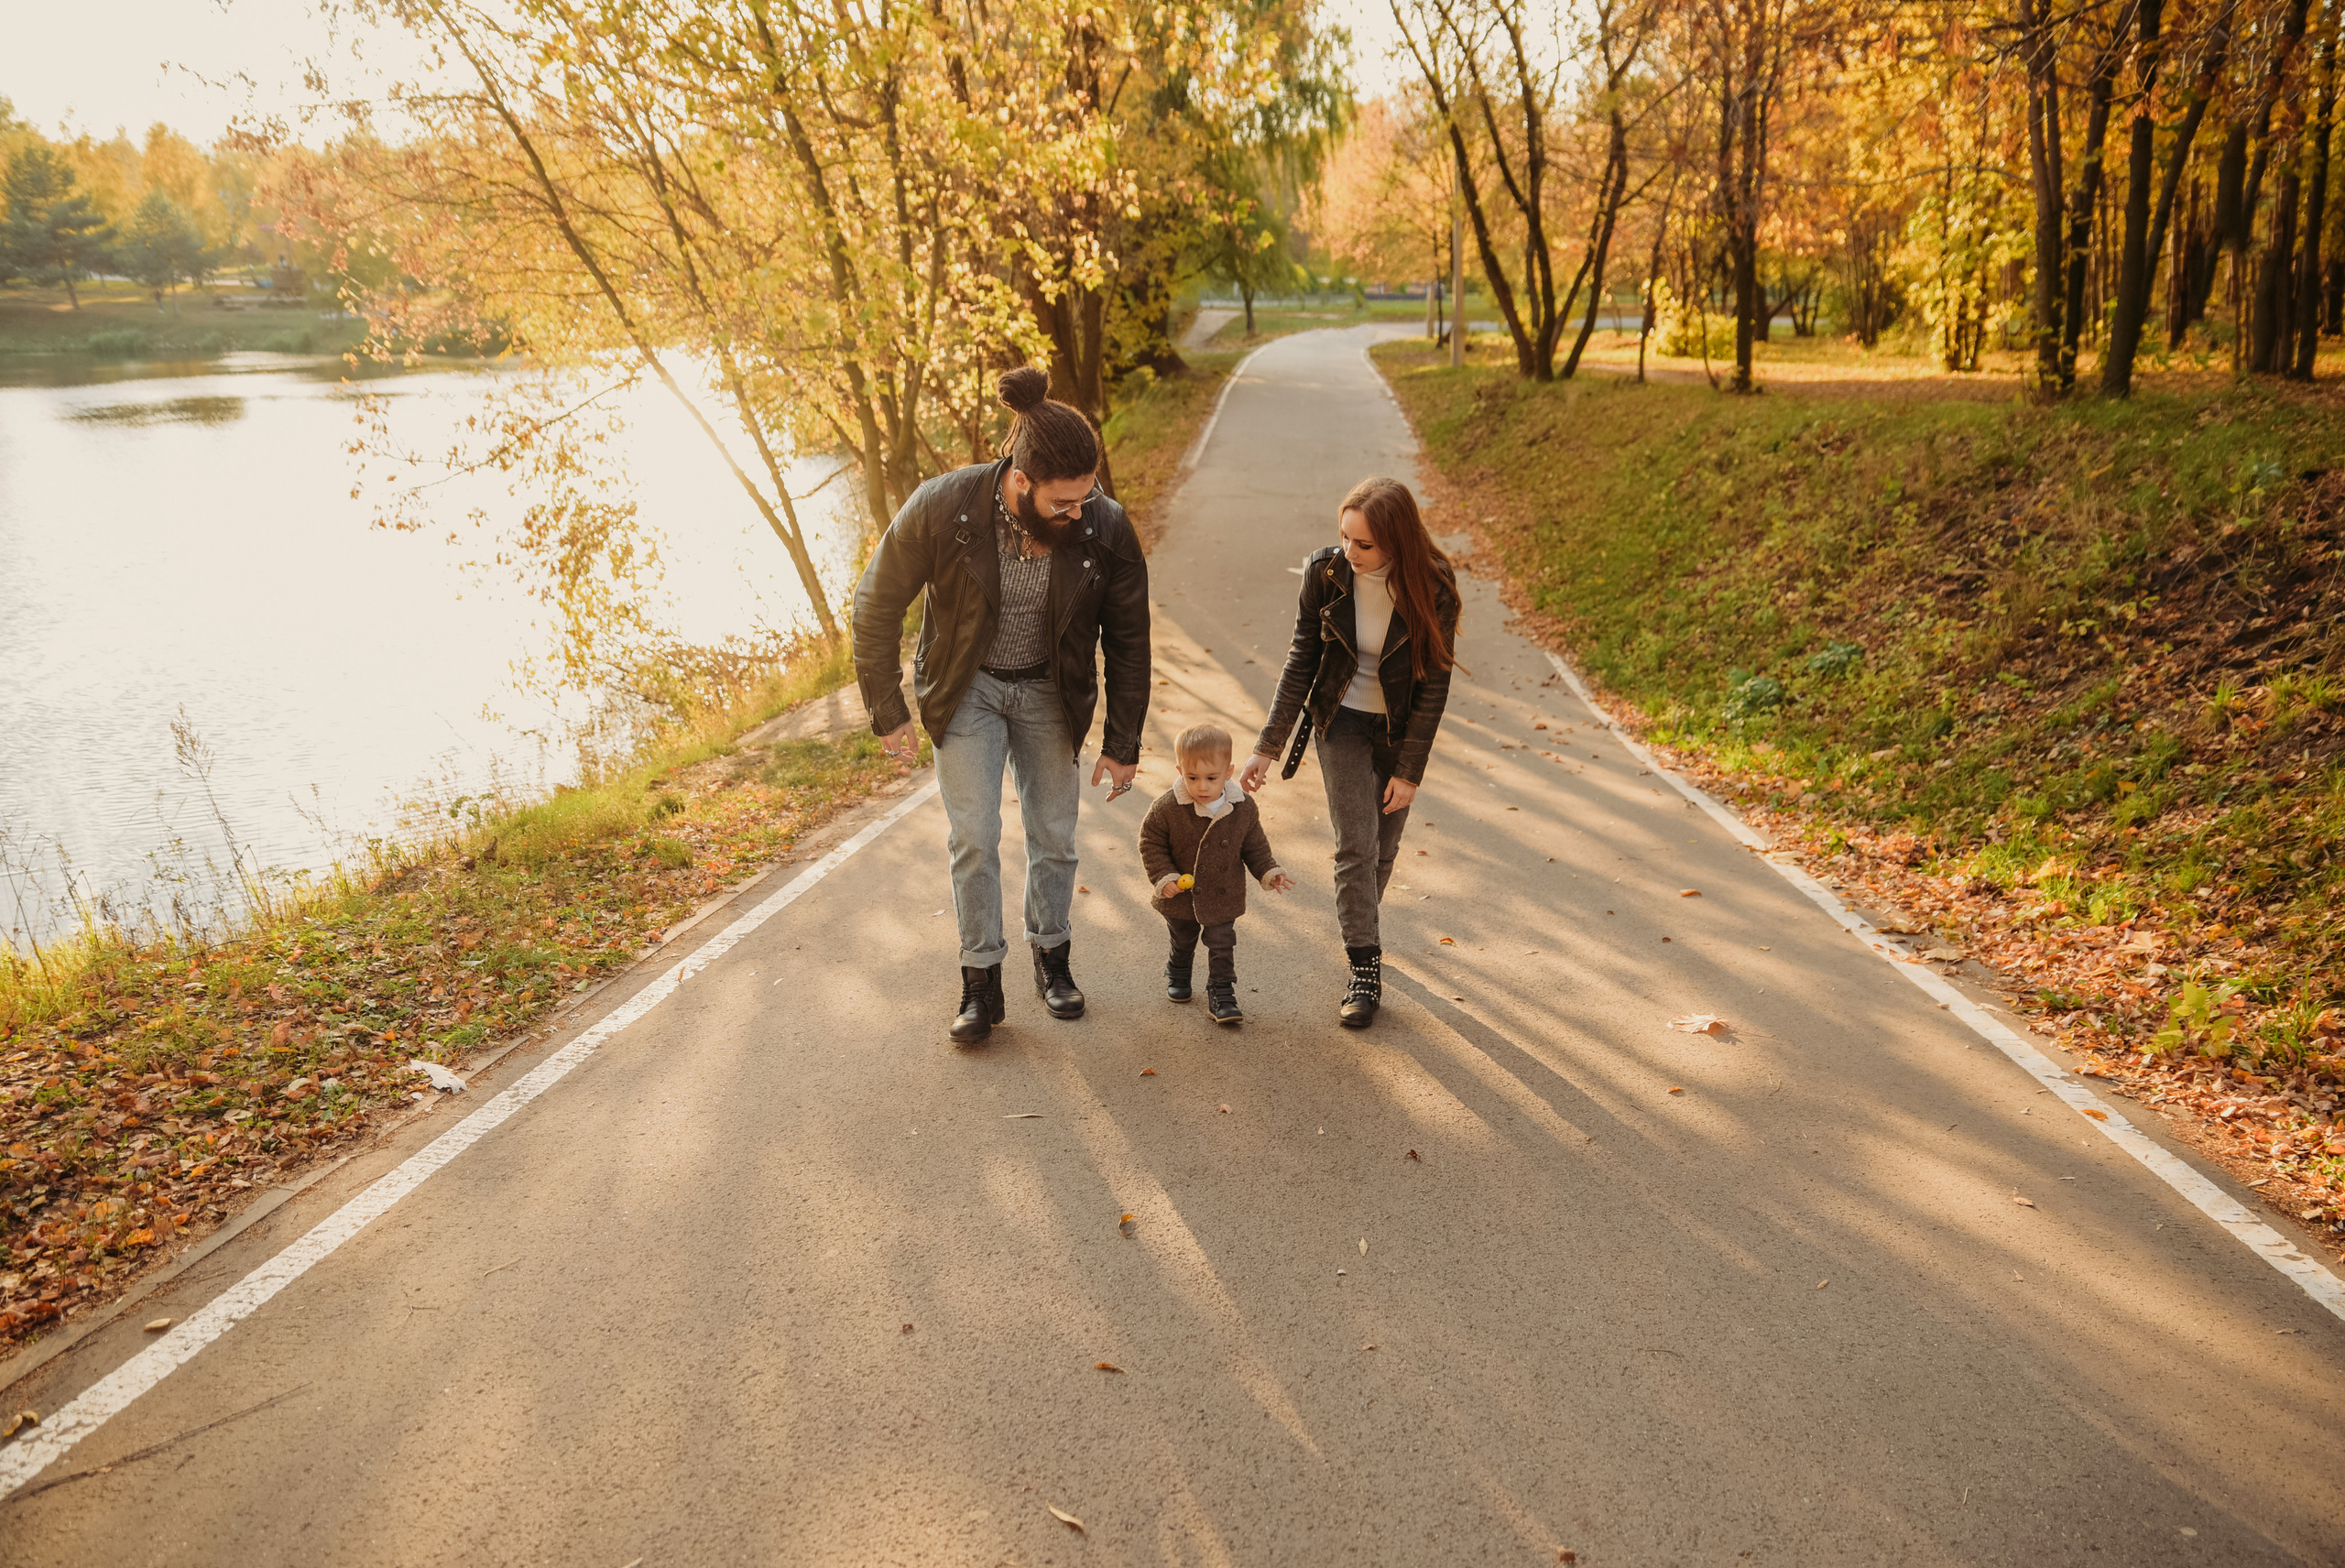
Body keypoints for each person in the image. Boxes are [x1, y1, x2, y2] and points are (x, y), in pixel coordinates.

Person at [852, 366, 1151, 1045]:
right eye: (1063, 503)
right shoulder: (943, 506)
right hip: (969, 689)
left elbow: (1129, 640)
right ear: (1020, 481)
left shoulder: (1105, 526)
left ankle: (1053, 958)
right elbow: (875, 603)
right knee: (974, 837)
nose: (1080, 513)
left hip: (1051, 691)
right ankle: (980, 980)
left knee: (1054, 836)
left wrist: (1122, 741)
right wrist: (889, 709)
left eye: (1087, 496)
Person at [1240, 476, 1460, 1028]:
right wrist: (1267, 746)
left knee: (1383, 850)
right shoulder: (1326, 573)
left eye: (1364, 544)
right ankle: (1364, 967)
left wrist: (1409, 771)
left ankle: (1365, 929)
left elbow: (1434, 685)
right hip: (1339, 722)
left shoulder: (1432, 584)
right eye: (1345, 537)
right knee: (1356, 847)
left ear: (1397, 542)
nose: (1350, 552)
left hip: (1398, 732)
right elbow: (1301, 660)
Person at [1138, 724, 1295, 1025]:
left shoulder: (1242, 808)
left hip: (1223, 892)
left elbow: (1255, 846)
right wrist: (1165, 877)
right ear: (1180, 771)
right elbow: (1151, 843)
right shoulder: (1167, 808)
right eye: (1192, 777)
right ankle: (1178, 970)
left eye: (1211, 778)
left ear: (1228, 772)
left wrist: (1268, 870)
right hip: (1181, 895)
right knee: (1183, 939)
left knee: (1222, 943)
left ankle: (1221, 991)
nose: (1202, 786)